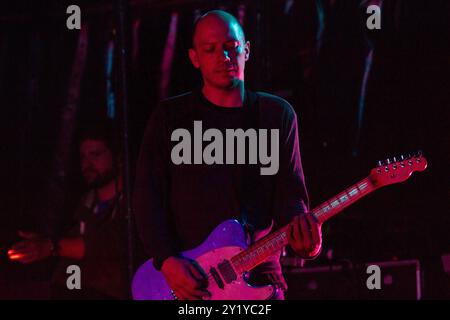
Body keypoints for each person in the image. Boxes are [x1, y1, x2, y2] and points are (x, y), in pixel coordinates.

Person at [133, 10, 322, 300]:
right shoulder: (170, 118)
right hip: (192, 282)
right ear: (195, 58)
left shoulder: (276, 114)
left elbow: (290, 195)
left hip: (260, 275)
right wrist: (167, 261)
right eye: (210, 50)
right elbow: (147, 197)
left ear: (246, 51)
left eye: (231, 48)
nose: (223, 57)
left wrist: (306, 238)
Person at [8, 124, 130, 299]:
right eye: (83, 157)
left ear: (118, 157)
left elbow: (108, 245)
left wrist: (51, 246)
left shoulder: (134, 200)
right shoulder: (85, 203)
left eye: (95, 155)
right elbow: (72, 258)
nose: (87, 164)